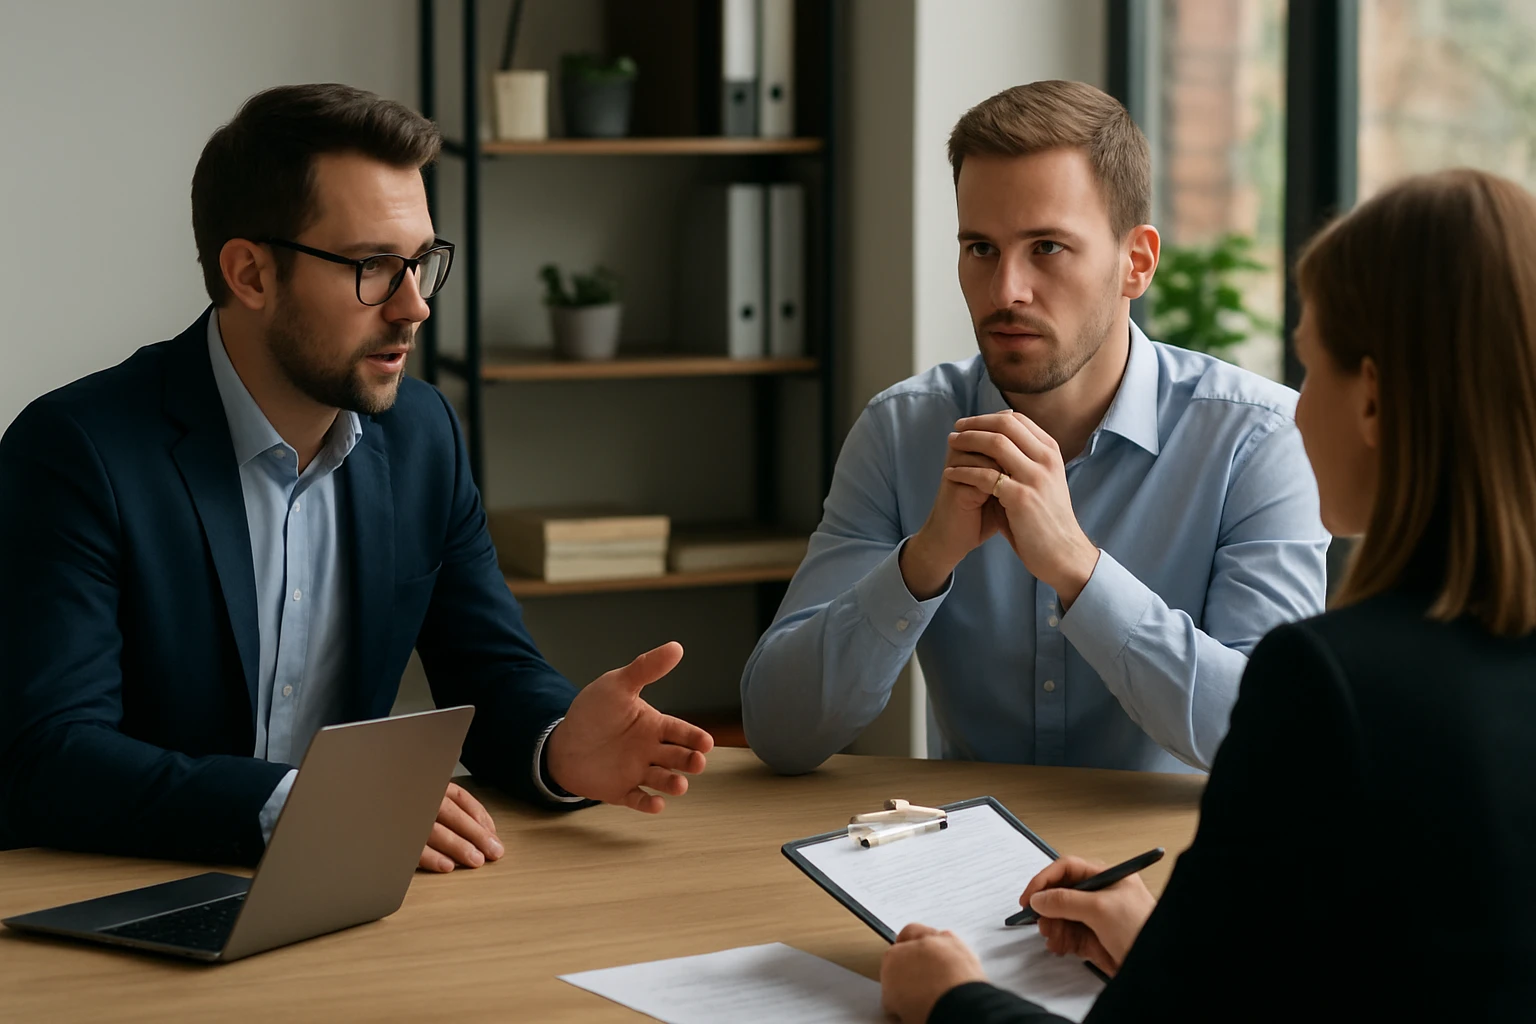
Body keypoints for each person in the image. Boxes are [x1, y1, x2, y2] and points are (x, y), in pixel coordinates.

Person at [879, 167, 1536, 1022]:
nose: (1296, 412)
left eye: (1311, 367)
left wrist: (950, 998)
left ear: (1371, 398)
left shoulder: (1330, 684)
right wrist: (1177, 953)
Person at [0, 84, 714, 871]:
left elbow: (490, 670)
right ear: (251, 274)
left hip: (344, 898)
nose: (414, 307)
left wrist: (558, 744)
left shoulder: (422, 435)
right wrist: (293, 806)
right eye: (375, 266)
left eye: (421, 263)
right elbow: (51, 756)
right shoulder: (76, 451)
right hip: (122, 900)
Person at [742, 81, 1327, 775]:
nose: (1005, 291)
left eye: (1046, 247)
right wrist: (922, 563)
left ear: (1135, 262)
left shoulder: (1256, 440)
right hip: (962, 865)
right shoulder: (902, 432)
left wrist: (1078, 571)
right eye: (981, 249)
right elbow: (779, 731)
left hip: (1169, 873)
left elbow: (1274, 737)